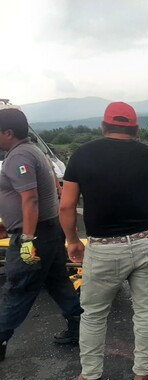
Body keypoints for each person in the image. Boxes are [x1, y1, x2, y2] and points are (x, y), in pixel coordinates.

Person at [59, 102, 148, 380]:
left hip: (103, 248)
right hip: (146, 243)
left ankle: (91, 378)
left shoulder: (82, 156)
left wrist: (72, 240)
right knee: (147, 313)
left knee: (94, 314)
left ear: (103, 126)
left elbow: (67, 205)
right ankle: (142, 376)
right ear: (136, 129)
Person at [0, 108, 82, 362]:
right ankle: (79, 328)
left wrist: (26, 239)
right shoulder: (33, 150)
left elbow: (30, 199)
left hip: (33, 236)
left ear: (8, 133)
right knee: (57, 281)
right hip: (49, 231)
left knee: (18, 288)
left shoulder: (19, 157)